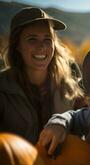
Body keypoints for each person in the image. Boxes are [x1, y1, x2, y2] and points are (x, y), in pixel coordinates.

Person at [0, 7, 83, 144]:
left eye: (47, 39)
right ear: (17, 45)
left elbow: (84, 119)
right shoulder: (3, 87)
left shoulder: (69, 82)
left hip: (64, 163)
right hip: (17, 163)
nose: (42, 47)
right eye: (32, 39)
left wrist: (64, 122)